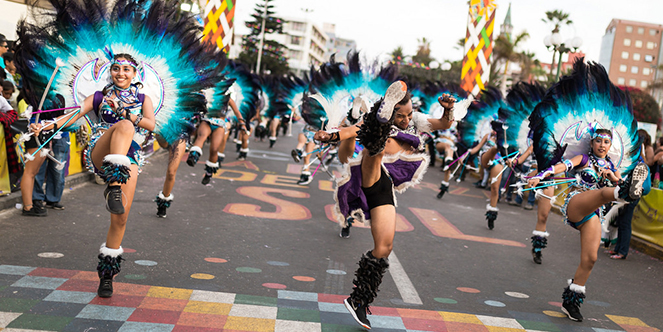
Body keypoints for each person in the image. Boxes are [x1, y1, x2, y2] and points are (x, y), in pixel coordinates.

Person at [317, 81, 456, 329]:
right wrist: (330, 136)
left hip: (385, 189)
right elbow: (350, 132)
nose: (405, 120)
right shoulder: (370, 123)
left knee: (384, 247)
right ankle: (381, 125)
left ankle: (358, 300)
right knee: (375, 146)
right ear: (391, 111)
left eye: (408, 114)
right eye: (399, 115)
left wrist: (447, 110)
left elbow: (444, 124)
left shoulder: (415, 122)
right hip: (371, 173)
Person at [528, 60, 646, 322]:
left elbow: (613, 180)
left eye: (607, 141)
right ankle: (626, 193)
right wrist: (539, 176)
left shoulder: (612, 166)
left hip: (593, 214)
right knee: (607, 193)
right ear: (591, 142)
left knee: (591, 258)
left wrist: (613, 178)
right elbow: (559, 166)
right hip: (576, 202)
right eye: (599, 141)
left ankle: (571, 301)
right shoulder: (583, 159)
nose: (603, 145)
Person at [609, 129, 654, 259]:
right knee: (622, 221)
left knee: (625, 222)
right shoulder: (637, 157)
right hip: (627, 192)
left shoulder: (637, 159)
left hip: (632, 193)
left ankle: (622, 251)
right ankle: (618, 249)